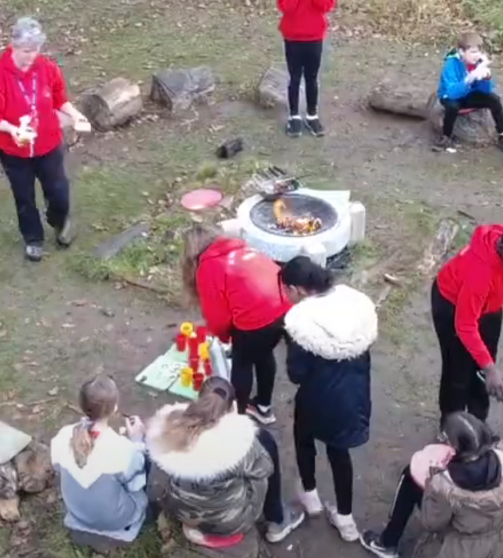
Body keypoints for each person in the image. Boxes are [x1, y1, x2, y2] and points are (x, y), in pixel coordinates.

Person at [280, 256, 377, 542]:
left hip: (316, 398)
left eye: (287, 290)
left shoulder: (301, 323)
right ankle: (346, 520)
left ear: (297, 289)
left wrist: (288, 343)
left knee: (303, 438)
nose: (286, 296)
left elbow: (296, 374)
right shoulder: (352, 302)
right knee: (339, 453)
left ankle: (310, 496)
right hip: (354, 395)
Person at [0, 17, 92, 263]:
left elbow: (59, 98)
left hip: (48, 144)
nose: (31, 56)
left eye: (36, 50)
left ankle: (59, 221)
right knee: (24, 196)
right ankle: (33, 239)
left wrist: (75, 115)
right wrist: (12, 130)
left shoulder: (48, 68)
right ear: (13, 46)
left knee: (59, 191)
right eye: (26, 51)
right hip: (13, 150)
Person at [148, 376, 304, 546]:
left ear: (199, 400)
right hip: (228, 521)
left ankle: (195, 523)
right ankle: (277, 520)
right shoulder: (242, 442)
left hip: (181, 511)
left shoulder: (168, 426)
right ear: (233, 407)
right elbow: (265, 469)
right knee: (264, 449)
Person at [359, 412, 503, 558]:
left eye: (445, 438)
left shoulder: (447, 485)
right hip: (501, 533)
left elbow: (432, 523)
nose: (442, 440)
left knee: (409, 478)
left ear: (456, 447)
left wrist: (432, 487)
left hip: (465, 547)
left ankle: (387, 543)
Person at [431, 219, 503, 421]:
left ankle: (478, 419)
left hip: (488, 305)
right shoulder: (479, 274)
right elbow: (464, 326)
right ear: (502, 248)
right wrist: (490, 369)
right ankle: (451, 424)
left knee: (484, 359)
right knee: (458, 369)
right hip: (451, 305)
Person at [181, 225, 291, 424]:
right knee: (264, 354)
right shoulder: (245, 250)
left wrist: (225, 337)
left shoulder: (209, 266)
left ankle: (238, 416)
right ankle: (263, 408)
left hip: (256, 318)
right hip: (283, 307)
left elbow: (216, 315)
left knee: (242, 362)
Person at [49, 377, 150, 547]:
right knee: (140, 494)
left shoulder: (62, 436)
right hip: (114, 519)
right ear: (115, 407)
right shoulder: (124, 449)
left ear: (82, 405)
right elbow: (135, 486)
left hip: (76, 512)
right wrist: (138, 442)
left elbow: (58, 468)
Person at [277, 0, 337, 138]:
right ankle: (294, 116)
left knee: (312, 78)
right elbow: (285, 7)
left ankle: (312, 115)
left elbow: (326, 6)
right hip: (292, 36)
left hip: (314, 36)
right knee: (294, 77)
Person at [434, 33, 503, 155]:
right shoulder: (451, 64)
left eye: (478, 52)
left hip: (469, 95)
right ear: (461, 51)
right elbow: (451, 93)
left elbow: (485, 91)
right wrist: (469, 78)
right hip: (451, 96)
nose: (476, 56)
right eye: (472, 52)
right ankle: (446, 137)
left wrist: (486, 78)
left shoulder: (478, 64)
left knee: (494, 99)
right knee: (452, 107)